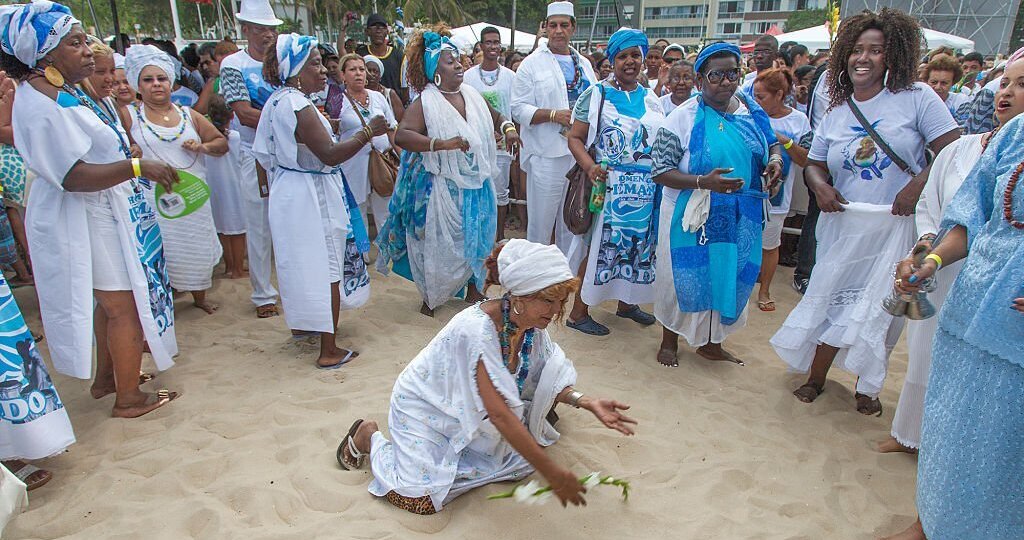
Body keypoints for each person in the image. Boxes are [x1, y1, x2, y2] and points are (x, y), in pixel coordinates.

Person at [338, 239, 637, 514]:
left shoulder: (529, 326)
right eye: (549, 300)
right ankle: (369, 437)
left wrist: (586, 402)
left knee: (518, 463)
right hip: (426, 407)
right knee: (418, 500)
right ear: (520, 296)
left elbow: (548, 374)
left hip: (469, 414)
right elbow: (499, 415)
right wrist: (553, 473)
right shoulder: (477, 331)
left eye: (562, 301)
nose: (557, 309)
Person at [770, 8, 960, 415]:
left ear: (892, 55)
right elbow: (816, 163)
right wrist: (819, 186)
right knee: (829, 295)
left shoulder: (916, 98)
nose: (864, 58)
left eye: (875, 50)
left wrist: (917, 184)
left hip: (896, 225)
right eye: (856, 50)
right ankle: (816, 377)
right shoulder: (838, 110)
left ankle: (867, 387)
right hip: (844, 223)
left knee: (883, 308)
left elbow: (953, 149)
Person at [2, 0, 180, 417]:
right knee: (123, 305)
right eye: (76, 43)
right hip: (84, 214)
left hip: (101, 209)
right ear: (44, 53)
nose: (88, 51)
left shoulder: (61, 90)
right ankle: (128, 398)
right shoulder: (39, 103)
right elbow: (73, 175)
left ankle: (109, 379)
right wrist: (137, 165)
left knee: (110, 302)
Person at [881, 111, 1024, 540]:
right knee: (951, 430)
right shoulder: (1014, 135)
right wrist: (932, 261)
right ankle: (930, 523)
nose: (1008, 91)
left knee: (1005, 449)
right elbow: (969, 217)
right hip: (972, 310)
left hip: (1015, 336)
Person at [649, 42, 783, 367]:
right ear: (699, 81)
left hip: (739, 214)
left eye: (732, 74)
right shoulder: (681, 118)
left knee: (726, 274)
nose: (726, 81)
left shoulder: (750, 111)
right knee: (679, 277)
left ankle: (712, 343)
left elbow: (773, 144)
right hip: (689, 214)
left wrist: (775, 161)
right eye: (716, 75)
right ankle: (669, 340)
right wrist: (703, 182)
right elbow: (661, 171)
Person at [376, 27, 520, 317]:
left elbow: (498, 117)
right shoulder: (425, 102)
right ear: (434, 71)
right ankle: (432, 298)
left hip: (478, 184)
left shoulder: (472, 95)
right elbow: (403, 136)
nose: (458, 64)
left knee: (477, 238)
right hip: (443, 188)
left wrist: (509, 129)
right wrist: (440, 144)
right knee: (440, 244)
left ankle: (474, 291)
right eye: (449, 61)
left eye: (458, 59)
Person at [253, 34, 375, 368]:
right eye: (315, 64)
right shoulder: (297, 104)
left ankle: (304, 326)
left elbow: (263, 153)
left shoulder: (277, 100)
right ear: (294, 69)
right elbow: (330, 154)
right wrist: (368, 131)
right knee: (328, 267)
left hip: (289, 191)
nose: (323, 70)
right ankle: (329, 349)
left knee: (299, 264)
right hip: (312, 195)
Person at [564, 28, 663, 336]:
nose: (630, 62)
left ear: (644, 60)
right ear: (612, 60)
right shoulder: (596, 95)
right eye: (623, 56)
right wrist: (591, 167)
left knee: (635, 248)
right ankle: (578, 313)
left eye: (636, 55)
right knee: (599, 248)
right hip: (607, 188)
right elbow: (575, 138)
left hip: (645, 191)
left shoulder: (652, 99)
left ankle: (627, 303)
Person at [124, 45, 227, 314]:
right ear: (138, 85)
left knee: (196, 248)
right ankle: (164, 300)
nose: (156, 84)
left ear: (171, 81)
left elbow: (220, 142)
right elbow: (120, 149)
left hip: (192, 196)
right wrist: (133, 153)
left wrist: (201, 148)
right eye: (148, 80)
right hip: (154, 199)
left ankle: (200, 296)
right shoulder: (130, 116)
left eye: (161, 79)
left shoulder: (187, 114)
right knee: (160, 250)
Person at [511, 1, 597, 256]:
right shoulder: (531, 64)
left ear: (573, 28)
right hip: (546, 157)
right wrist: (551, 115)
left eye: (564, 25)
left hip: (579, 156)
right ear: (546, 28)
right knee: (540, 226)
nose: (558, 30)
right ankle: (533, 286)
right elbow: (517, 108)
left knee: (573, 223)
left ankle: (563, 282)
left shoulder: (585, 64)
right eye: (553, 25)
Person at [219, 0, 281, 318]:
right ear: (246, 29)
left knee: (285, 224)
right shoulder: (233, 64)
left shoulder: (283, 61)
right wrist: (286, 121)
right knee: (258, 225)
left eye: (270, 29)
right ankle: (262, 293)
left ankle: (287, 285)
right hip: (253, 154)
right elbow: (243, 113)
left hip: (285, 154)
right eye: (260, 29)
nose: (267, 35)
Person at [752, 68, 810, 313]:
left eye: (761, 97)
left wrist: (781, 139)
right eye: (753, 95)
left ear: (779, 95)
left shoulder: (798, 120)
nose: (756, 101)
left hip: (777, 196)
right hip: (747, 191)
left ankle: (764, 290)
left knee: (769, 244)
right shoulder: (749, 115)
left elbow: (806, 158)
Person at [464, 26, 516, 241]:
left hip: (503, 145)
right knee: (477, 191)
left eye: (497, 42)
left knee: (501, 193)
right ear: (481, 46)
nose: (493, 46)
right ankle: (479, 237)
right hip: (477, 145)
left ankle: (499, 237)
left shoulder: (511, 77)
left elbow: (516, 110)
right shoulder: (467, 77)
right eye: (489, 42)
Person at [336, 53, 398, 234]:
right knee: (358, 212)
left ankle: (387, 257)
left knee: (386, 212)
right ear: (343, 75)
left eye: (361, 69)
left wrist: (402, 158)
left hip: (382, 164)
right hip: (353, 166)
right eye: (352, 70)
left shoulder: (378, 97)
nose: (359, 74)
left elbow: (391, 129)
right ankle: (361, 258)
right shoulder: (337, 101)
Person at [205, 94, 248, 279]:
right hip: (234, 187)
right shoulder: (235, 137)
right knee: (237, 230)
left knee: (222, 228)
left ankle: (229, 267)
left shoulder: (204, 140)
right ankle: (238, 269)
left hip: (214, 188)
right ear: (232, 116)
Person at [345, 13, 406, 104]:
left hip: (393, 108)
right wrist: (343, 30)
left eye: (382, 27)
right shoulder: (360, 54)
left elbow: (405, 88)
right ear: (367, 31)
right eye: (374, 26)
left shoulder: (399, 56)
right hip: (366, 106)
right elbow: (343, 60)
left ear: (387, 31)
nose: (378, 30)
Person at [195, 39, 239, 115]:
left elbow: (198, 112)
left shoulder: (213, 84)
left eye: (208, 63)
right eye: (202, 64)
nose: (205, 67)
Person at [924, 55, 970, 125]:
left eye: (944, 83)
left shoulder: (960, 100)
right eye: (934, 82)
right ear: (927, 81)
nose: (938, 87)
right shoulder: (919, 102)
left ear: (953, 83)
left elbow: (961, 129)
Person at [364, 54, 404, 123]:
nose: (372, 74)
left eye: (375, 71)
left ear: (380, 76)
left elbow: (402, 122)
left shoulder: (389, 94)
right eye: (368, 71)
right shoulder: (356, 93)